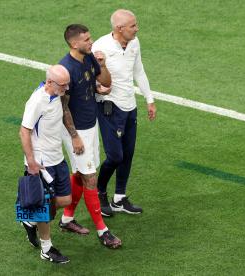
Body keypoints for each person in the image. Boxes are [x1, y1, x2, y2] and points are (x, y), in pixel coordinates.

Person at [58, 24, 122, 249]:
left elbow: (105, 82)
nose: (91, 41)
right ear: (74, 44)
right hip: (76, 130)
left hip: (90, 124)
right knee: (90, 178)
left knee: (81, 172)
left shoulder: (89, 58)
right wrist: (75, 137)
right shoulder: (65, 69)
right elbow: (63, 107)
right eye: (86, 39)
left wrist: (102, 66)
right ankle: (102, 231)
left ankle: (66, 219)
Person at [92, 9, 157, 217]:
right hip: (109, 107)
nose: (137, 28)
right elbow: (89, 76)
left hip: (130, 106)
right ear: (119, 28)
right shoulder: (100, 47)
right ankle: (99, 192)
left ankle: (119, 197)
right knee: (115, 156)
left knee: (127, 154)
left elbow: (139, 70)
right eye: (133, 26)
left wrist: (149, 99)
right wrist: (97, 88)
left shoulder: (134, 43)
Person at [19, 65, 72, 264]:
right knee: (44, 206)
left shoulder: (57, 93)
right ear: (50, 82)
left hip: (57, 158)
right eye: (63, 85)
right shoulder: (37, 101)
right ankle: (46, 249)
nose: (66, 88)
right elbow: (24, 131)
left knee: (65, 200)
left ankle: (30, 220)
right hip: (41, 164)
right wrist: (31, 162)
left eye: (67, 84)